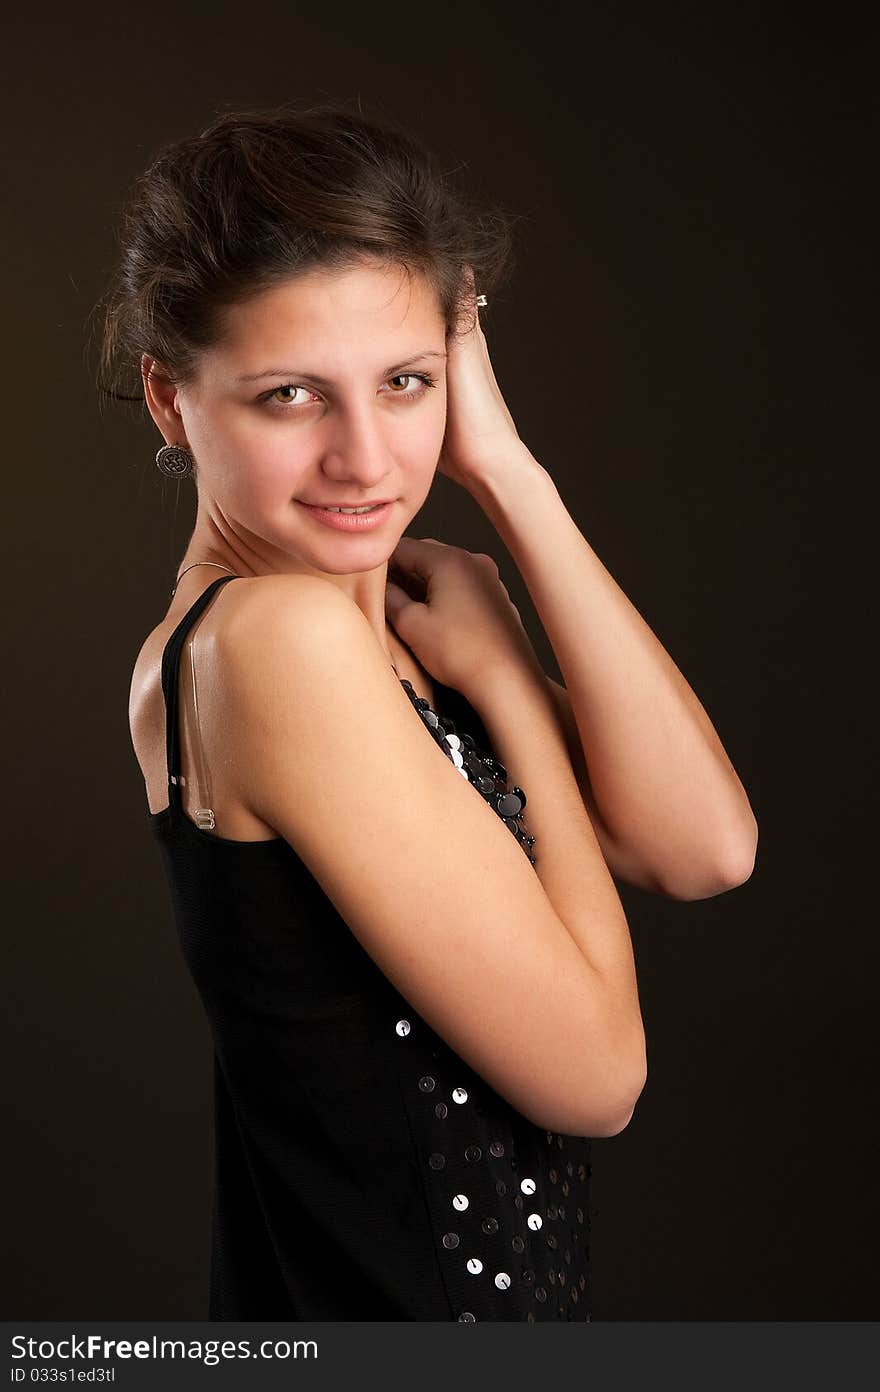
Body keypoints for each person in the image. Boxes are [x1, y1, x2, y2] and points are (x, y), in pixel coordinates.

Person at [94, 101, 757, 1322]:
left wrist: (507, 470)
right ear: (170, 400)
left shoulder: (377, 640)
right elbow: (600, 1077)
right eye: (290, 396)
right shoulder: (269, 642)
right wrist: (504, 677)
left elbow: (701, 846)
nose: (366, 459)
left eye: (405, 383)